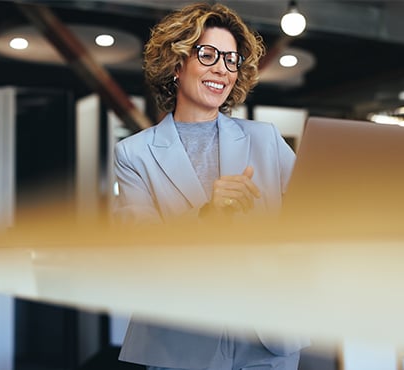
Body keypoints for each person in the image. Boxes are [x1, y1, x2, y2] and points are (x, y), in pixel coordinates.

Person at [113, 2, 308, 369]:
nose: (222, 67)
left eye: (231, 59)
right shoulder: (134, 154)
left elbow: (312, 214)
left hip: (266, 337)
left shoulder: (264, 139)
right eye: (208, 54)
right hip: (182, 341)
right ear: (176, 63)